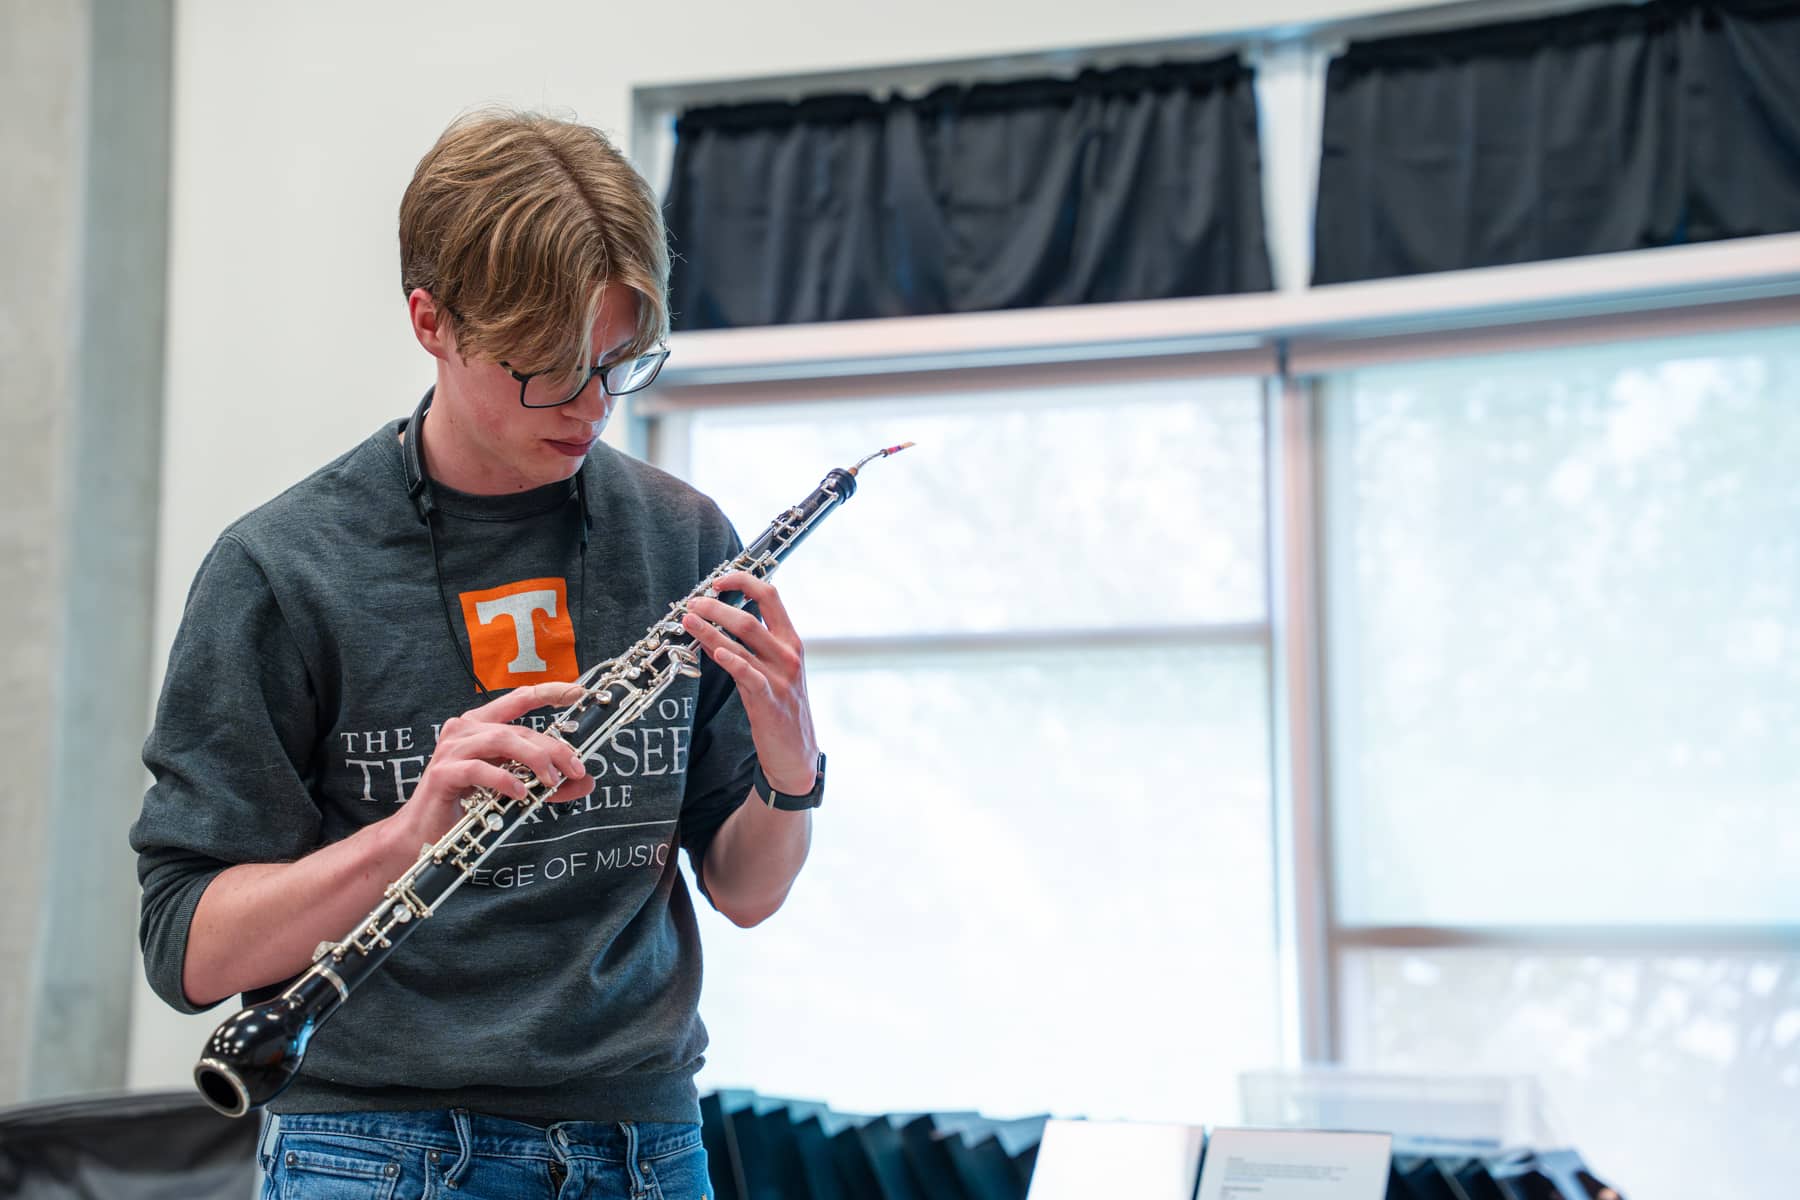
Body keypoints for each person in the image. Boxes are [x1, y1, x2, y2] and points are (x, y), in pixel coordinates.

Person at [129, 109, 828, 1200]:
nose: (594, 407)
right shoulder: (281, 568)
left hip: (643, 1146)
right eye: (547, 369)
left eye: (618, 363)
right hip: (372, 1156)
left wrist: (793, 772)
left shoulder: (683, 539)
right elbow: (191, 952)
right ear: (432, 322)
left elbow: (745, 894)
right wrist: (408, 834)